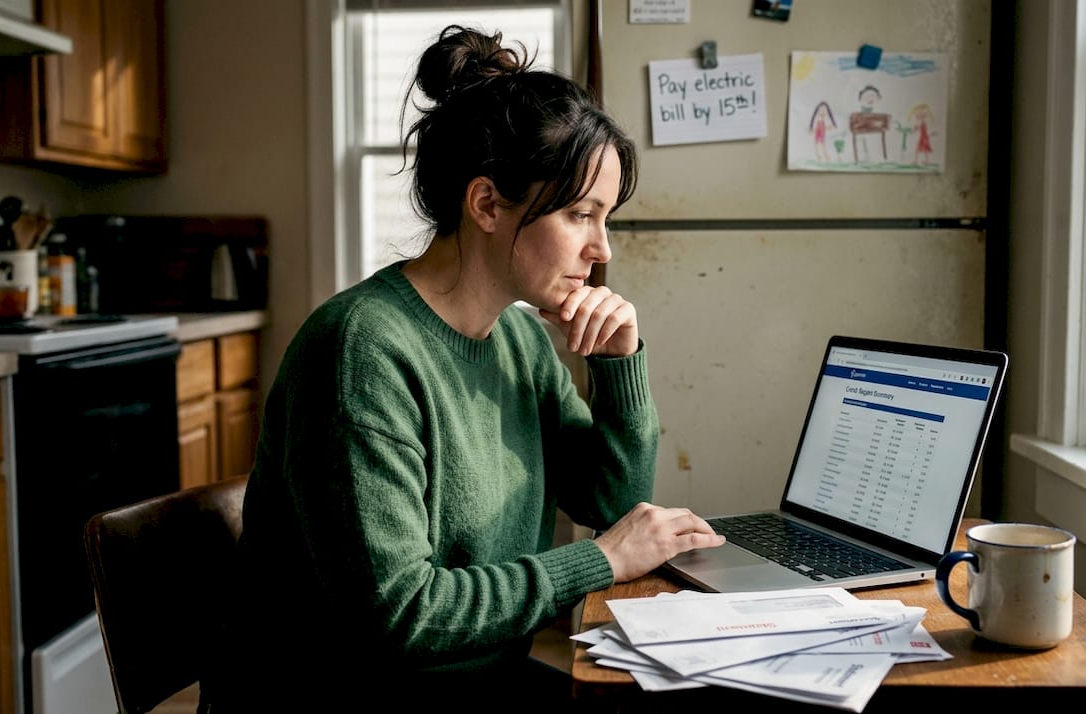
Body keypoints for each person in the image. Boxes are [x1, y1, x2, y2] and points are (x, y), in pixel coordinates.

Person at [206, 24, 725, 711]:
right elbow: (400, 615)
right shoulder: (361, 353)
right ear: (486, 204)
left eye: (607, 218)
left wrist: (619, 366)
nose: (600, 249)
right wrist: (602, 560)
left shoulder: (520, 339)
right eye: (580, 215)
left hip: (472, 683)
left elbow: (609, 504)